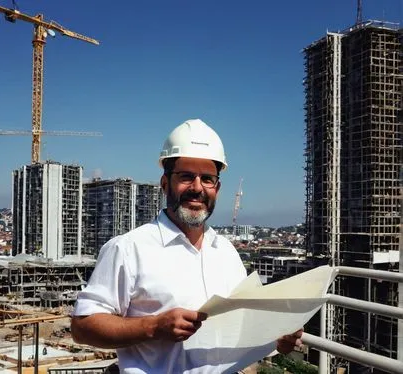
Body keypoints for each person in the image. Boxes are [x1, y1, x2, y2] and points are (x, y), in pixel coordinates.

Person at [71, 119, 303, 373]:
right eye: (185, 177)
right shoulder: (128, 249)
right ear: (164, 183)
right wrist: (153, 327)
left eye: (207, 179)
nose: (197, 188)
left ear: (217, 187)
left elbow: (242, 326)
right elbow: (83, 327)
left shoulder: (226, 252)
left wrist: (276, 336)